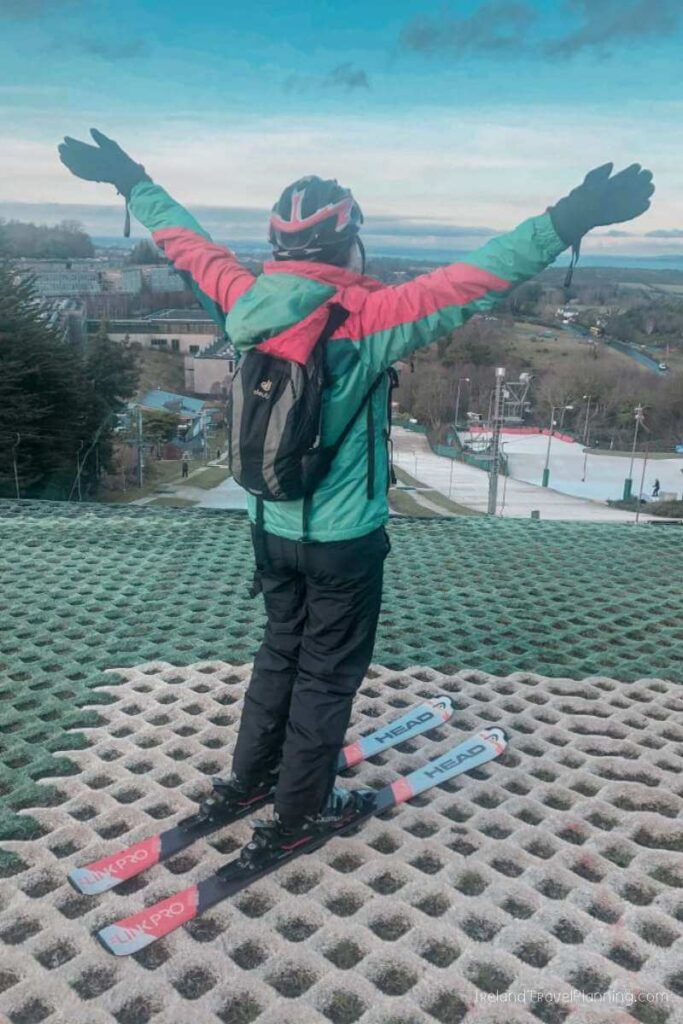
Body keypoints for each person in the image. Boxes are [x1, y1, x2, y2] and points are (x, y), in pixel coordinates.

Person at [58, 129, 654, 864]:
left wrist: (130, 177)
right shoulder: (371, 320)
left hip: (268, 525)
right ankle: (299, 813)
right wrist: (570, 217)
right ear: (349, 245)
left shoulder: (244, 302)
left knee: (280, 651)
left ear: (280, 246)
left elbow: (190, 246)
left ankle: (250, 780)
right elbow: (479, 276)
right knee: (325, 677)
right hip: (343, 540)